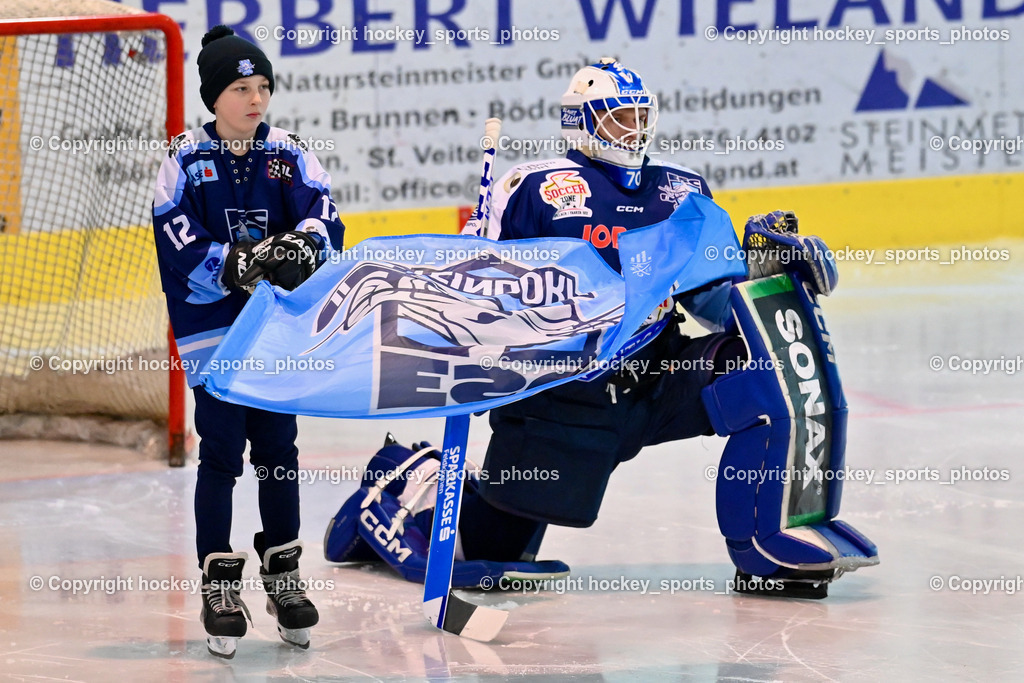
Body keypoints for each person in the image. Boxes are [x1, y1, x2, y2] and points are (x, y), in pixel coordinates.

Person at [326, 58, 877, 597]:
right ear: (580, 122)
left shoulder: (682, 191)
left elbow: (709, 296)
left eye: (641, 115)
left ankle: (768, 548)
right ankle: (399, 484)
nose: (634, 129)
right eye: (619, 116)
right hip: (565, 397)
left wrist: (767, 278)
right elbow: (480, 287)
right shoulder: (533, 187)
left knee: (762, 372)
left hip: (661, 376)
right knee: (495, 551)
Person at [152, 26, 344, 658]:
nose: (256, 99)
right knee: (222, 451)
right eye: (240, 88)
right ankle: (218, 581)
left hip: (275, 327)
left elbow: (326, 212)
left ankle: (283, 575)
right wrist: (230, 264)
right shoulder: (183, 158)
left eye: (263, 86)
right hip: (214, 331)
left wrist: (306, 243)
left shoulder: (288, 153)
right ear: (213, 96)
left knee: (279, 446)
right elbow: (175, 236)